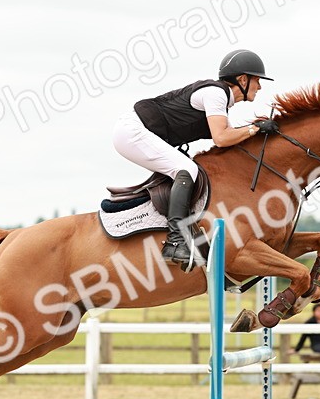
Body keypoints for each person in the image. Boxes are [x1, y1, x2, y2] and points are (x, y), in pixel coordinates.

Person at [112, 49, 275, 270]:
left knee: (187, 168)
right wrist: (254, 128)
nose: (260, 87)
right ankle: (175, 241)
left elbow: (230, 136)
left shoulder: (220, 100)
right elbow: (221, 138)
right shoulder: (216, 94)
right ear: (243, 80)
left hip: (136, 131)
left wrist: (256, 130)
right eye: (257, 80)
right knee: (187, 169)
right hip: (132, 131)